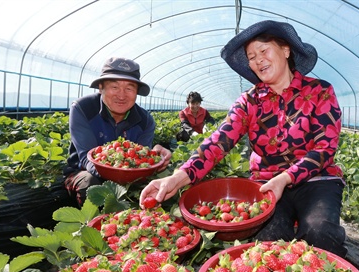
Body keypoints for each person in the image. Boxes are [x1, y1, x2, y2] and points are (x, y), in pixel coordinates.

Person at [140, 20, 347, 257]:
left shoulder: (319, 91)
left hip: (316, 180)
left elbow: (324, 148)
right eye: (251, 56)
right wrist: (176, 178)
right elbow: (218, 142)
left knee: (320, 232)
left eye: (264, 50)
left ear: (286, 50)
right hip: (265, 184)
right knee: (267, 244)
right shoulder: (249, 101)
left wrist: (286, 178)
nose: (258, 59)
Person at [64, 57, 171, 206]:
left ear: (137, 92)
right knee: (91, 183)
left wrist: (154, 159)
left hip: (128, 177)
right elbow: (86, 159)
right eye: (114, 87)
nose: (121, 95)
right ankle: (93, 224)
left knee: (158, 187)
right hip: (83, 172)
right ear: (101, 87)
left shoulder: (145, 121)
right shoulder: (83, 108)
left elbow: (140, 163)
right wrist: (122, 173)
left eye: (129, 88)